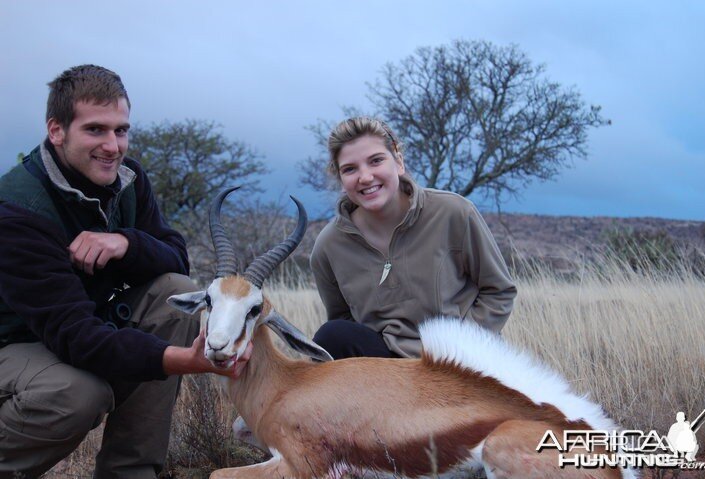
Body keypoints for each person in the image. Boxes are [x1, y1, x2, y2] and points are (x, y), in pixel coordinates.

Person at [0, 65, 249, 479]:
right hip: (15, 342)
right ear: (57, 131)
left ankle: (130, 473)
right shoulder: (18, 212)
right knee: (76, 394)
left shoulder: (129, 178)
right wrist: (182, 360)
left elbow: (175, 258)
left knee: (175, 294)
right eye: (95, 130)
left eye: (121, 130)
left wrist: (126, 243)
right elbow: (75, 337)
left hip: (74, 327)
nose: (113, 146)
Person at [310, 117, 517, 359]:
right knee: (331, 336)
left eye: (376, 161)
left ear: (398, 161)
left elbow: (499, 291)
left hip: (459, 361)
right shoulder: (328, 247)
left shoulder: (454, 212)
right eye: (350, 169)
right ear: (340, 179)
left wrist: (460, 347)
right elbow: (342, 318)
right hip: (389, 370)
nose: (365, 177)